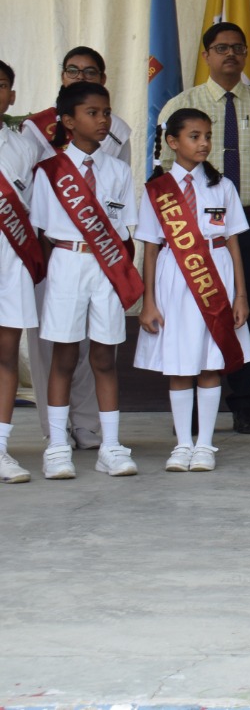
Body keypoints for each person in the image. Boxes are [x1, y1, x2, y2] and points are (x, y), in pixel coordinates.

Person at [158, 23, 250, 435]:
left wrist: (240, 201)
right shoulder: (181, 105)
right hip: (192, 228)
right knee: (195, 309)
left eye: (237, 48)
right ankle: (195, 404)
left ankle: (244, 402)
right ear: (206, 56)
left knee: (246, 310)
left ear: (246, 54)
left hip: (249, 221)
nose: (230, 54)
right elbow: (165, 169)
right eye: (221, 48)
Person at [21, 47, 135, 450]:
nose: (80, 75)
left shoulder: (117, 132)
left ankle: (89, 425)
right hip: (54, 254)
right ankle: (54, 432)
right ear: (62, 76)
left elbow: (118, 206)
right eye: (72, 70)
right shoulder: (34, 129)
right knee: (54, 347)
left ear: (103, 78)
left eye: (89, 71)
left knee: (97, 348)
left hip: (102, 255)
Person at [134, 109, 250, 474]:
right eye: (194, 136)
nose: (204, 143)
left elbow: (233, 242)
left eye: (207, 136)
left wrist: (241, 295)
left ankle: (204, 444)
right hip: (174, 277)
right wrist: (148, 301)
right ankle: (182, 443)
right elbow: (150, 248)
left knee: (209, 361)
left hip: (215, 275)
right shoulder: (157, 190)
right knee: (180, 363)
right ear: (173, 142)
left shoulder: (222, 186)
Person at [0, 60, 45, 483]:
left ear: (12, 95)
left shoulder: (25, 148)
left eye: (0, 85)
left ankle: (0, 448)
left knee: (6, 353)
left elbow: (35, 209)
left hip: (11, 261)